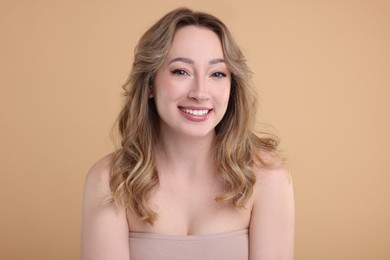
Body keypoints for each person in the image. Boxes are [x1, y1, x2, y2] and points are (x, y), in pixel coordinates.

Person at [81, 7, 294, 260]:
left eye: (217, 74)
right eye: (181, 71)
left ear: (231, 86)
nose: (200, 92)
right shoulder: (110, 180)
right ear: (150, 83)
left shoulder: (268, 179)